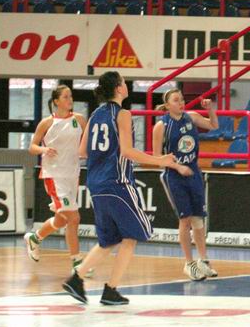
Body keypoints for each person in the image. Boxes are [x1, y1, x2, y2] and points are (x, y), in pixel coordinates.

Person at [63, 71, 191, 306]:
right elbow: (128, 152)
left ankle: (77, 279)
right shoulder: (122, 114)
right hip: (117, 182)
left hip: (96, 183)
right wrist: (161, 160)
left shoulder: (95, 115)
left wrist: (103, 155)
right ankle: (110, 290)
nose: (126, 85)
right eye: (123, 82)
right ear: (118, 88)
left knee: (109, 240)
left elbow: (82, 152)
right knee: (134, 234)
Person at [153, 89, 219, 281]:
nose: (181, 102)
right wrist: (177, 167)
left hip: (193, 172)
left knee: (199, 219)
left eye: (182, 99)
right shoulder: (161, 126)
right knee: (185, 219)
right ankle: (189, 264)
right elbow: (157, 158)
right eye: (176, 100)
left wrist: (211, 109)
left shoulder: (192, 117)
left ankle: (203, 260)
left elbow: (214, 125)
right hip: (174, 175)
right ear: (167, 105)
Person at [24, 86, 87, 271]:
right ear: (56, 101)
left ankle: (35, 238)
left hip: (72, 175)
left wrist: (87, 153)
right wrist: (44, 149)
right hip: (54, 175)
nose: (70, 99)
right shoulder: (47, 123)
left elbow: (88, 142)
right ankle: (77, 261)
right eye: (66, 97)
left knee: (61, 220)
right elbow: (32, 147)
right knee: (73, 218)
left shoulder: (79, 119)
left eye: (71, 96)